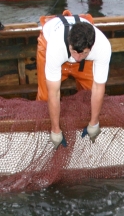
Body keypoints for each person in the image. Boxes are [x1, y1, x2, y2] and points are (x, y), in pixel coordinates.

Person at [36, 10, 112, 150]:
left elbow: (98, 86)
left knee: (88, 94)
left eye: (83, 52)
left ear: (91, 47)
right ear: (70, 44)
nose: (77, 59)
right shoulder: (55, 46)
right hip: (51, 44)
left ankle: (90, 123)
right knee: (45, 96)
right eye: (74, 52)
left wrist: (94, 123)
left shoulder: (102, 46)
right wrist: (55, 130)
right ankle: (49, 130)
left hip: (84, 57)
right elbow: (54, 92)